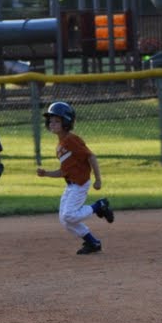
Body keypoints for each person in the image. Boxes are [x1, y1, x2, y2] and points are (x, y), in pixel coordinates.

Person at [34, 100, 114, 254]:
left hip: (80, 183)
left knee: (69, 215)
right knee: (65, 220)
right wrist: (46, 174)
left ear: (66, 122)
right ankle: (92, 243)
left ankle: (99, 206)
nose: (52, 123)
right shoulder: (60, 145)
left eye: (57, 121)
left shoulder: (71, 140)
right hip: (71, 185)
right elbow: (63, 172)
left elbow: (91, 157)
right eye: (51, 121)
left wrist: (98, 179)